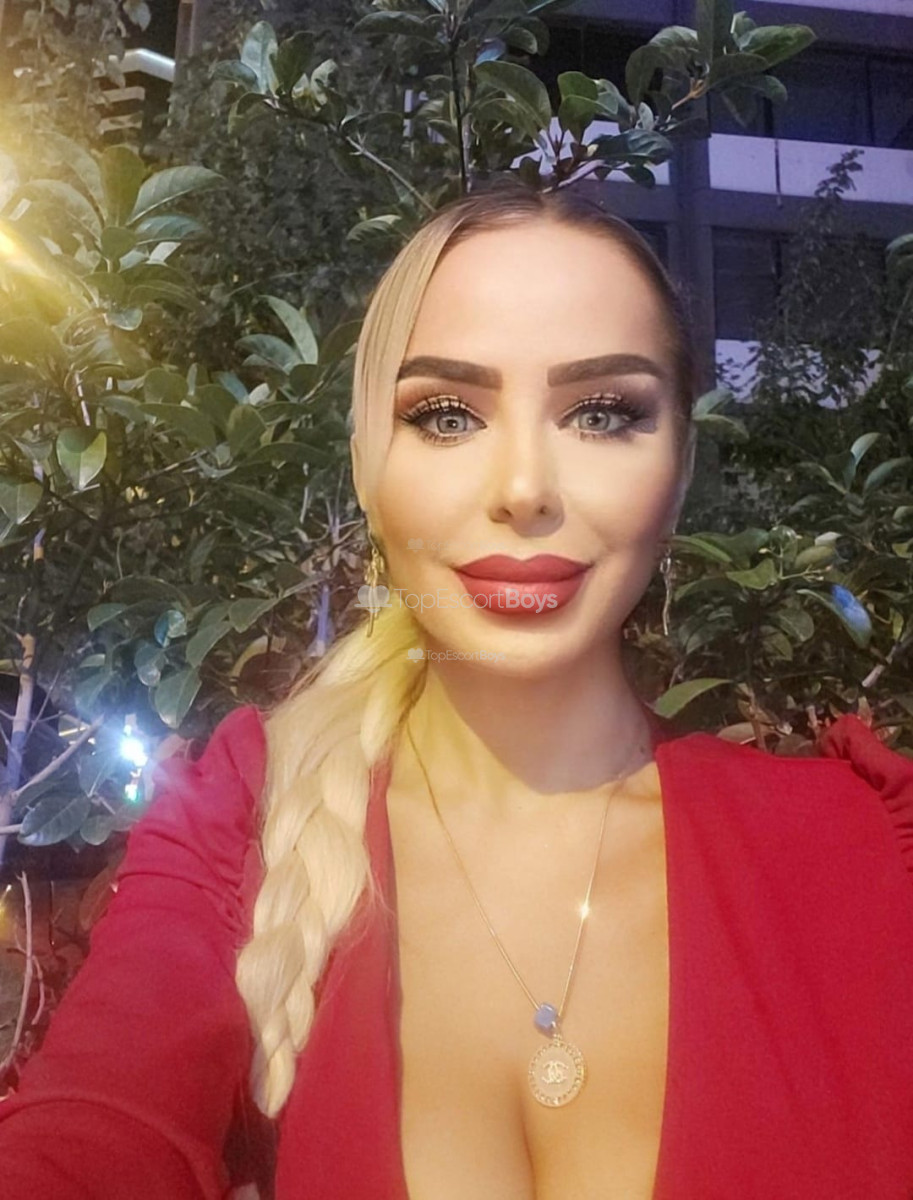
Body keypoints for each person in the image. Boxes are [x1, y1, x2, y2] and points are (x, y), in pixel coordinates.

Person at [1, 182, 912, 1200]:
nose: (523, 489)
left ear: (681, 464)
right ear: (367, 463)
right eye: (445, 415)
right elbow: (92, 1128)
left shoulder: (862, 852)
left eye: (602, 414)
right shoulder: (239, 832)